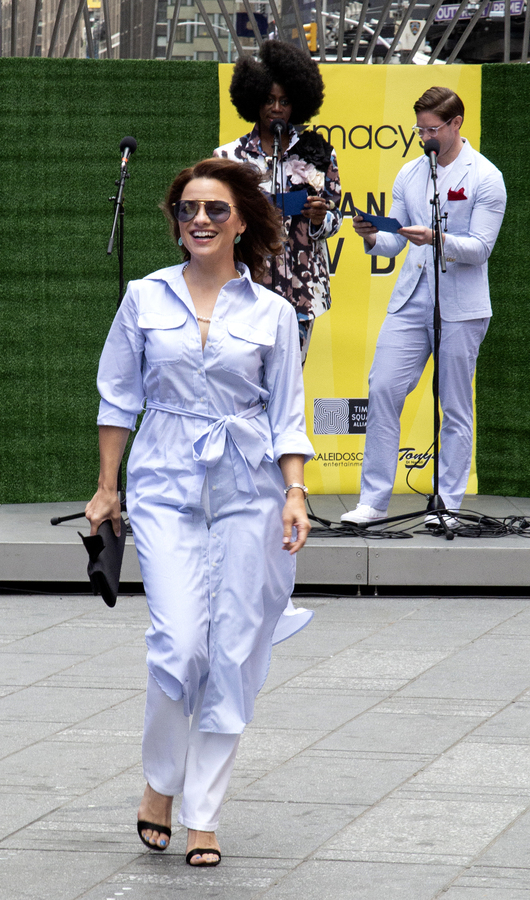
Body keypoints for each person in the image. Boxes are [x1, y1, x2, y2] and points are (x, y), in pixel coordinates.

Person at [85, 158, 314, 867]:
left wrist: (297, 492)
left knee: (233, 650)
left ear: (241, 220)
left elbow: (287, 414)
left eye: (216, 210)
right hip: (165, 483)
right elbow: (118, 397)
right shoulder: (144, 298)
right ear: (176, 222)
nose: (202, 221)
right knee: (181, 642)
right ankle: (161, 783)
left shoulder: (273, 312)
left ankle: (203, 813)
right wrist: (106, 486)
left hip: (251, 489)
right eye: (188, 210)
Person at [341, 87, 506, 527]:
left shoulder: (486, 177)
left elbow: (481, 249)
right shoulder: (410, 173)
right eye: (419, 129)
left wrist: (437, 239)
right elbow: (394, 243)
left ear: (456, 124)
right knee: (382, 391)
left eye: (432, 129)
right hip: (411, 300)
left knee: (454, 406)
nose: (425, 137)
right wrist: (371, 235)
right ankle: (372, 502)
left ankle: (448, 506)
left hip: (462, 307)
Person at [214, 38, 342, 365]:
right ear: (255, 101)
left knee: (288, 383)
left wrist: (319, 218)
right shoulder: (228, 157)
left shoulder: (319, 155)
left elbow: (336, 216)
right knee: (245, 377)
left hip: (301, 288)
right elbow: (214, 217)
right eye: (269, 99)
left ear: (296, 104)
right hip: (246, 285)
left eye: (284, 101)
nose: (276, 107)